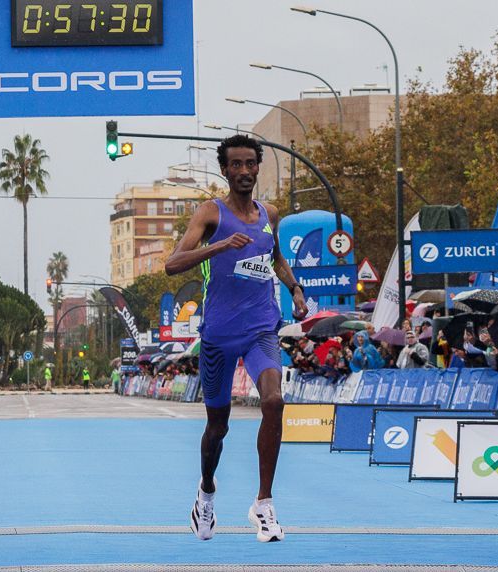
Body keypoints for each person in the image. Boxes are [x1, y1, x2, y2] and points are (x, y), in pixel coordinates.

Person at [165, 134, 308, 542]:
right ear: (225, 170)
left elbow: (274, 256)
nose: (244, 171)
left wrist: (295, 289)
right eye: (236, 165)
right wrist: (221, 245)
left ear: (258, 167)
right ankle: (206, 493)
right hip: (219, 336)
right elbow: (173, 265)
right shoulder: (210, 213)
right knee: (218, 428)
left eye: (251, 164)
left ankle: (263, 504)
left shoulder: (270, 213)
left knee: (274, 401)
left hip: (262, 327)